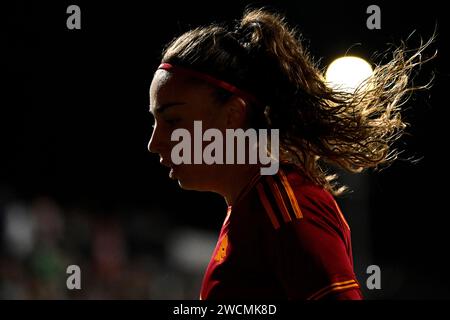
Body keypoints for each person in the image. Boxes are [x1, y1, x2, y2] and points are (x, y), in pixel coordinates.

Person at [148, 8, 433, 300]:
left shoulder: (288, 211)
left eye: (172, 121)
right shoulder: (252, 206)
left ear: (232, 115)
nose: (153, 142)